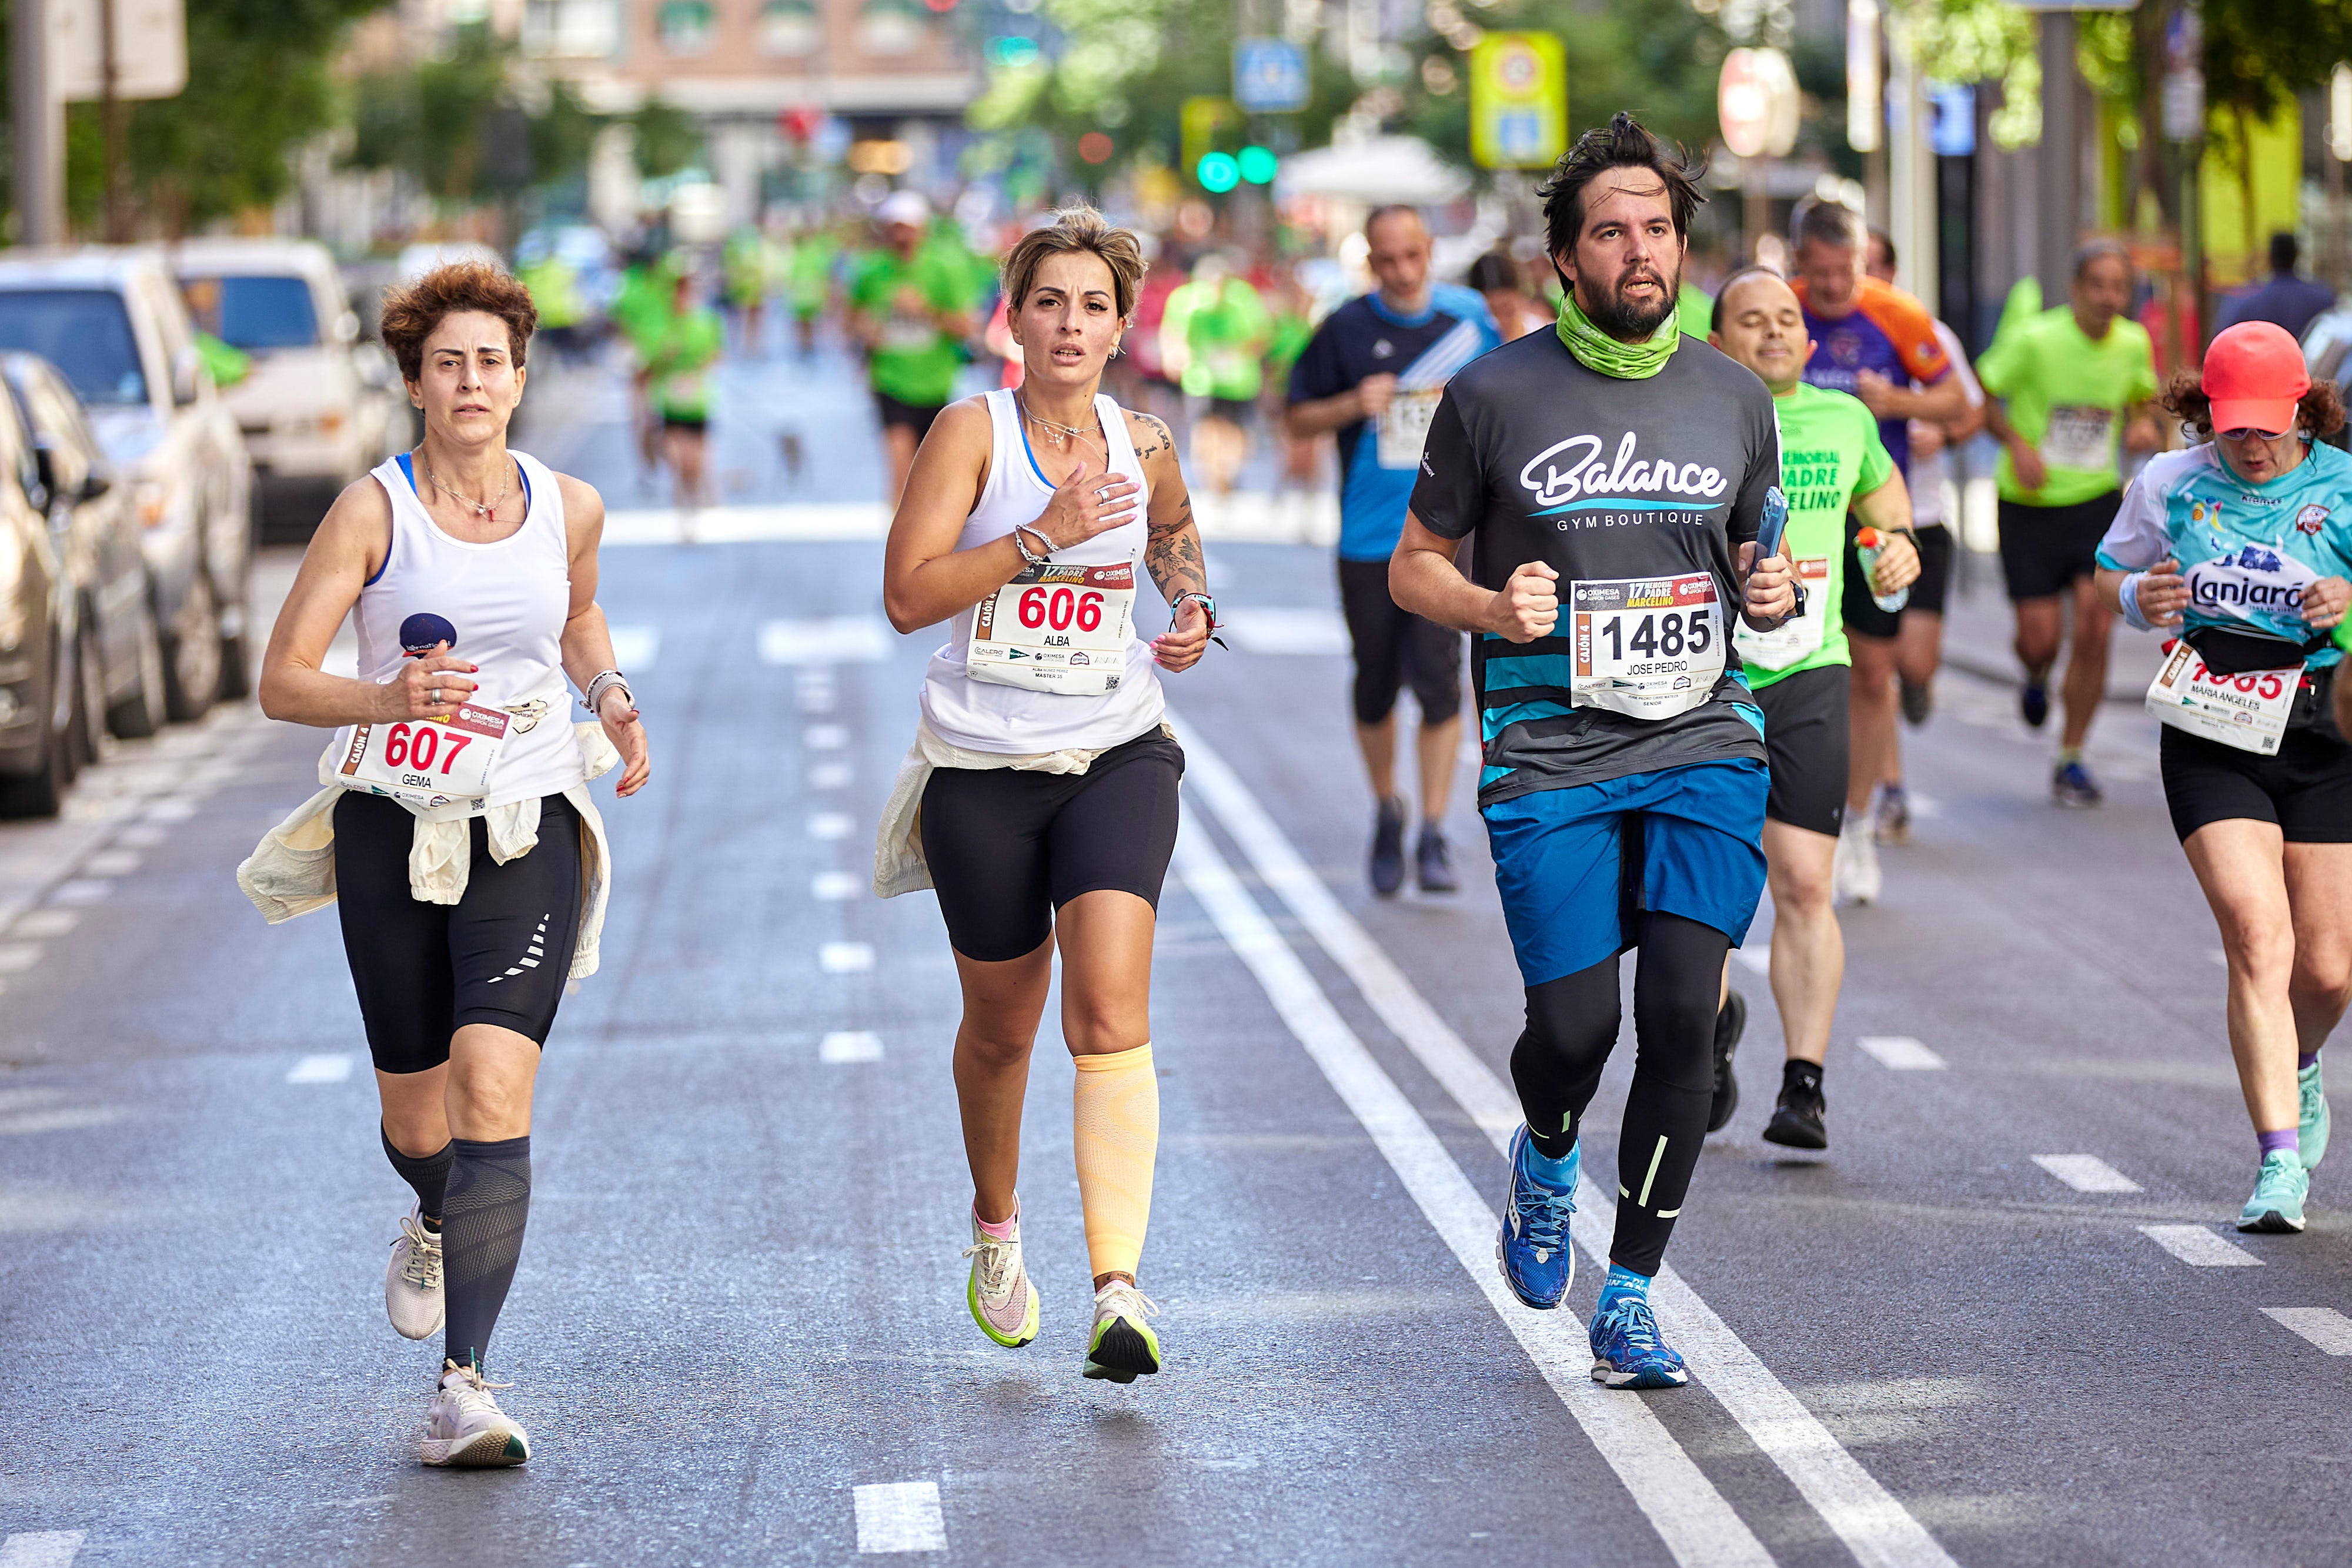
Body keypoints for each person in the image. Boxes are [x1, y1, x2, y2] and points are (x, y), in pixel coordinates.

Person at [1390, 113, 1795, 1388]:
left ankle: (1627, 1293)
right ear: (1563, 258)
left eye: (1658, 229)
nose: (1639, 250)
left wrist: (1768, 596)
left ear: (1684, 247)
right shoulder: (1492, 393)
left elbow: (1749, 566)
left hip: (1702, 737)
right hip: (1546, 747)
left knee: (1682, 1014)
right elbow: (1412, 568)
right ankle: (1547, 1149)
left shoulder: (1735, 396)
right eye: (1609, 230)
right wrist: (1487, 605)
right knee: (1573, 1030)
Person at [245, 262, 652, 1466]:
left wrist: (608, 690)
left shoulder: (568, 503)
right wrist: (386, 693)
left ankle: (463, 1385)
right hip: (392, 824)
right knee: (416, 1111)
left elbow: (574, 615)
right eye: (448, 363)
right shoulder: (374, 510)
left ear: (520, 377)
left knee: (492, 1088)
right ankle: (433, 1210)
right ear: (417, 382)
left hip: (527, 816)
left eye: (491, 361)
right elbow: (282, 679)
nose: (471, 382)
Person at [877, 206, 1214, 1383]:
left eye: (1092, 306)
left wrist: (1189, 610)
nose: (1070, 324)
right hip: (980, 770)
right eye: (1048, 303)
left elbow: (1173, 535)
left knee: (1109, 1011)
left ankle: (1117, 1286)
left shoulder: (1148, 441)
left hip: (1115, 749)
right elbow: (906, 595)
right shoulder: (970, 435)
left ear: (1123, 327)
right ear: (1012, 319)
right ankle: (995, 1225)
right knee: (1003, 1026)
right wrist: (1039, 537)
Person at [2093, 322, 2352, 1232]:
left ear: (2302, 410)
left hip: (2326, 727)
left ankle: (2301, 1057)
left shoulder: (2345, 485)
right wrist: (2137, 598)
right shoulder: (2170, 481)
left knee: (2328, 967)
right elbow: (2109, 571)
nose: (2247, 442)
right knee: (2256, 935)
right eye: (2229, 424)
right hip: (2214, 720)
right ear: (2204, 412)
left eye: (2265, 426)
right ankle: (2279, 1159)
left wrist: (2351, 599)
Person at [1708, 266, 1918, 1148]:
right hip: (1707, 680)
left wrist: (1897, 548)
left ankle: (1805, 1083)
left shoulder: (1846, 417)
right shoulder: (1699, 421)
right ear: (1718, 342)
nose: (1775, 334)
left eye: (1787, 318)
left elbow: (1884, 499)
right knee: (1711, 892)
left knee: (1802, 879)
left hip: (1810, 667)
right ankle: (1707, 1037)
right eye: (1752, 322)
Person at [1287, 207, 1501, 895]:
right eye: (1387, 261)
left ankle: (1433, 829)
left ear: (1429, 250)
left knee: (1441, 683)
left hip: (1448, 537)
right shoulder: (1346, 328)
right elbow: (1294, 413)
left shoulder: (1470, 322)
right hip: (1368, 537)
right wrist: (1354, 402)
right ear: (1370, 264)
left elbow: (1510, 405)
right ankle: (1387, 808)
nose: (1402, 272)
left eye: (1412, 256)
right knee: (1375, 682)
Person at [1788, 202, 1967, 900]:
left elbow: (1955, 399)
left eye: (1848, 272)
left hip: (1871, 520)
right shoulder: (1777, 312)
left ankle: (1856, 823)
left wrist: (1898, 403)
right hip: (1795, 520)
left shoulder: (1895, 314)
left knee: (1871, 674)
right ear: (1799, 262)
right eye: (1821, 274)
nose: (1835, 289)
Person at [1978, 240, 2163, 806]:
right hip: (2029, 505)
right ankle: (2035, 674)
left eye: (2119, 287)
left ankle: (2072, 755)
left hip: (2096, 502)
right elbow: (1982, 394)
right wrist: (2018, 446)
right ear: (2077, 289)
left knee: (2094, 623)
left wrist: (2144, 427)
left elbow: (2143, 401)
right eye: (2099, 286)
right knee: (2040, 639)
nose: (2110, 297)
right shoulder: (2036, 340)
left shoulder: (2133, 342)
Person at [1860, 229, 1986, 851]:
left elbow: (1970, 410)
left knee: (1913, 661)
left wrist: (1936, 427)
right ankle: (1890, 790)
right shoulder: (1823, 334)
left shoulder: (1924, 333)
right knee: (1873, 668)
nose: (1860, 282)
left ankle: (1918, 682)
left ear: (1892, 270)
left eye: (1871, 269)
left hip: (1927, 517)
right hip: (1860, 528)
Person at [850, 190, 980, 503]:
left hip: (937, 381)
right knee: (900, 467)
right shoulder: (871, 270)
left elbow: (967, 327)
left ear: (923, 228)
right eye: (894, 227)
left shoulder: (945, 267)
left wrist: (926, 312)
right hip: (890, 379)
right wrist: (867, 331)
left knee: (930, 475)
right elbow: (852, 319)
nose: (901, 235)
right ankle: (896, 541)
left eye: (908, 227)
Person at [1160, 253, 1272, 496]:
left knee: (1236, 431)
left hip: (1238, 383)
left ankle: (1229, 471)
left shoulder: (1243, 299)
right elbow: (1172, 332)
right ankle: (1213, 478)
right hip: (1201, 380)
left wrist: (1239, 353)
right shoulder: (1185, 300)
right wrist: (1174, 357)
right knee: (1205, 428)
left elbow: (1262, 335)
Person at [645, 264, 724, 526]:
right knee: (676, 457)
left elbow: (718, 354)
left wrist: (699, 367)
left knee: (696, 459)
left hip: (698, 400)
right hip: (668, 399)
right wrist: (666, 356)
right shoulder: (659, 322)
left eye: (688, 290)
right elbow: (650, 360)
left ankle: (697, 492)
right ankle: (684, 503)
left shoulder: (706, 321)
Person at [2219, 233, 2337, 343]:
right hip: (2307, 364)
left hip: (2261, 364)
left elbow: (2225, 342)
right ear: (2296, 255)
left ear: (2270, 257)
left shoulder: (2245, 299)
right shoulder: (2322, 297)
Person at [1468, 249, 1547, 342]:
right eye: (1491, 313)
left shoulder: (1544, 335)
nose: (1501, 322)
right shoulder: (1470, 345)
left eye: (1508, 311)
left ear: (1522, 297)